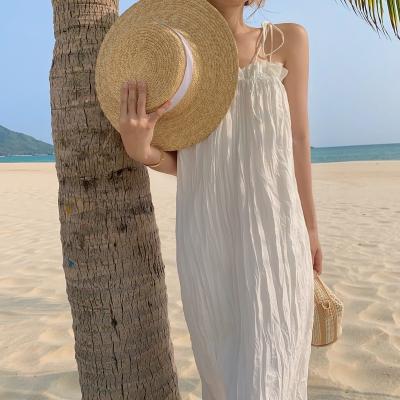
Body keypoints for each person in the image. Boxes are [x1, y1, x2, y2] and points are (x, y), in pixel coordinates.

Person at [118, 1, 323, 398]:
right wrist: (141, 151)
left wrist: (311, 227)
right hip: (208, 240)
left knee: (272, 376)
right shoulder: (177, 63)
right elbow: (190, 162)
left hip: (277, 237)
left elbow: (298, 140)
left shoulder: (287, 39)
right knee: (223, 379)